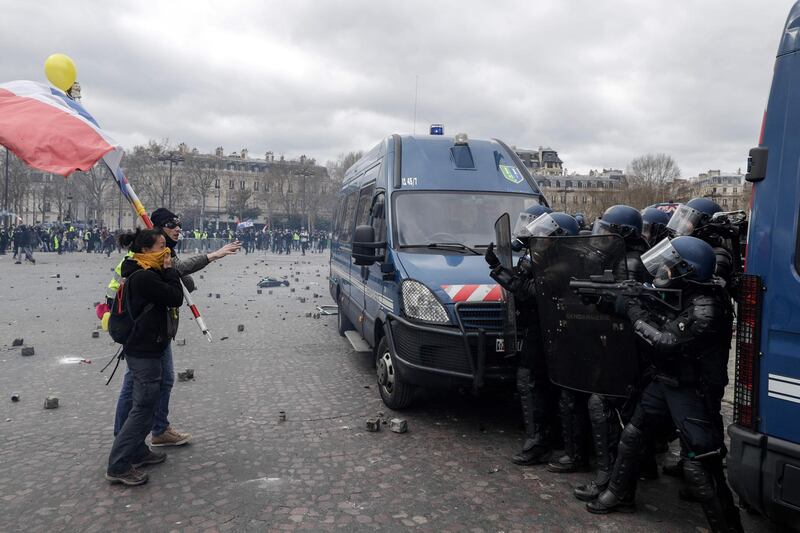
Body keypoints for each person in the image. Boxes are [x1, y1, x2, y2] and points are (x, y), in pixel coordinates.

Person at [586, 236, 744, 532]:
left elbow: (664, 341)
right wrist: (607, 301)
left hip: (691, 390)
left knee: (700, 467)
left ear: (688, 270)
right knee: (632, 435)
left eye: (671, 265)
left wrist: (633, 311)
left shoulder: (705, 307)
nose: (665, 270)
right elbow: (659, 313)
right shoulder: (686, 294)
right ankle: (618, 494)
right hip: (666, 381)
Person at [111, 208, 240, 447]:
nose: (179, 228)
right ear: (159, 231)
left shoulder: (164, 253)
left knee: (164, 380)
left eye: (180, 224)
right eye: (172, 224)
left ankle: (158, 429)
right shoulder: (149, 259)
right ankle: (125, 440)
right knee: (134, 387)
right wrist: (213, 256)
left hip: (158, 331)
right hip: (140, 332)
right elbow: (177, 277)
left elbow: (180, 279)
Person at [573, 205, 652, 501]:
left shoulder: (629, 263)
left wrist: (601, 300)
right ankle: (621, 481)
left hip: (629, 349)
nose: (601, 236)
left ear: (623, 234)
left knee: (602, 405)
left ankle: (611, 481)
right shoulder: (628, 258)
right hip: (627, 347)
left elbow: (630, 308)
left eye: (608, 231)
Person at [485, 205, 565, 466]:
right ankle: (539, 435)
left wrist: (498, 268)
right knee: (532, 383)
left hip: (547, 331)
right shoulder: (536, 256)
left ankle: (539, 441)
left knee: (531, 382)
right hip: (537, 328)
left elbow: (529, 291)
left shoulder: (556, 262)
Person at [106, 228, 184, 486]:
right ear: (146, 251)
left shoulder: (145, 272)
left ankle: (137, 451)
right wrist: (171, 270)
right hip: (144, 350)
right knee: (142, 407)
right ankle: (118, 464)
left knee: (148, 402)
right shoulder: (144, 278)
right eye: (162, 246)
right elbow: (175, 297)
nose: (167, 250)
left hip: (148, 345)